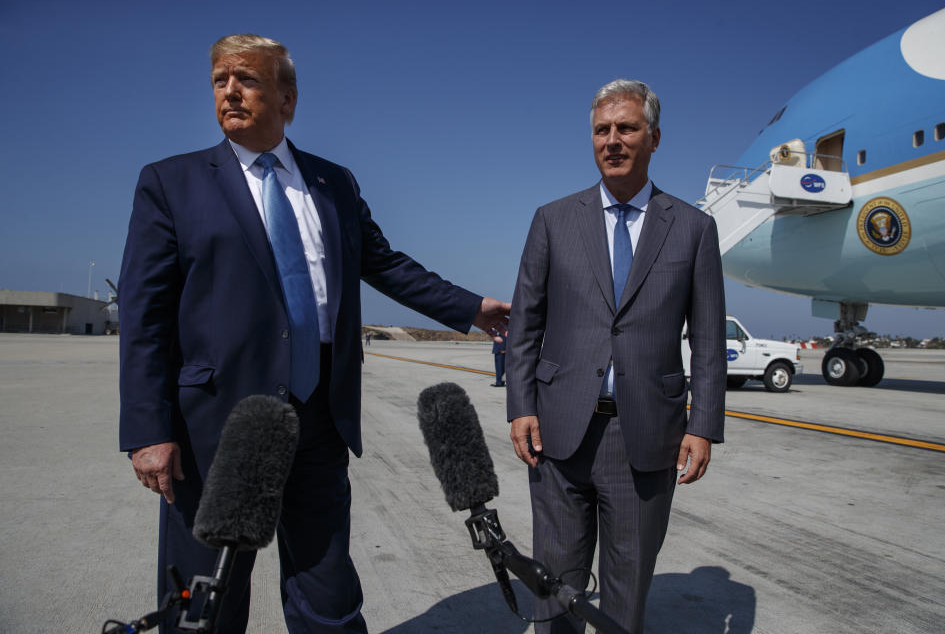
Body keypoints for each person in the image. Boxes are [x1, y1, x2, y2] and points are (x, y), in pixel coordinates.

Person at [118, 34, 509, 634]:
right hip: (215, 426)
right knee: (205, 600)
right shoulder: (171, 183)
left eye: (246, 79)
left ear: (287, 98)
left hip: (318, 417)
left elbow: (385, 263)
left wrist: (470, 307)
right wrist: (149, 429)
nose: (229, 91)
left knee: (326, 589)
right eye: (220, 80)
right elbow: (144, 318)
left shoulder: (333, 183)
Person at [506, 79, 725, 633]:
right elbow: (526, 323)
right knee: (555, 587)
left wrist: (703, 425)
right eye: (602, 130)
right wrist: (520, 406)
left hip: (646, 438)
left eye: (626, 128)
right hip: (559, 435)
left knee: (628, 590)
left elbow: (706, 339)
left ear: (654, 138)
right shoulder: (553, 220)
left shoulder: (694, 229)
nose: (612, 140)